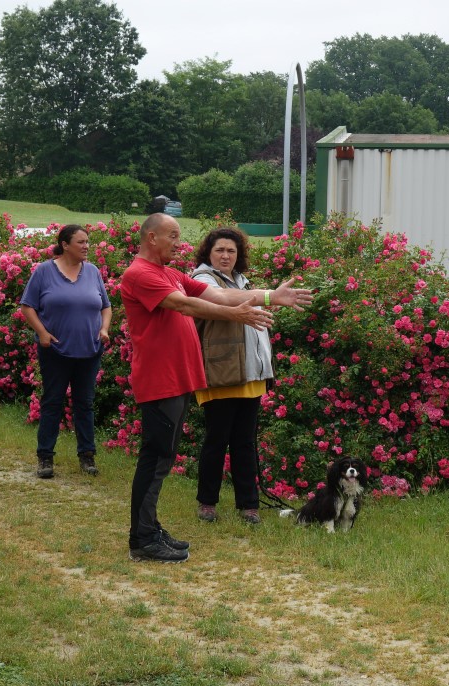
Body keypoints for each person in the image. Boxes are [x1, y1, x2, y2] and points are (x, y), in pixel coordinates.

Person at [120, 213, 312, 563]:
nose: (179, 243)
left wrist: (270, 296)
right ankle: (142, 539)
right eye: (172, 236)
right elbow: (185, 305)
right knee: (155, 459)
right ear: (151, 237)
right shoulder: (140, 274)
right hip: (160, 381)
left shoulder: (169, 273)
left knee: (163, 459)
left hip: (177, 380)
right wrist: (236, 315)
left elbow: (219, 294)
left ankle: (149, 528)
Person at [191, 227, 274, 525]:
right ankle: (207, 503)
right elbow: (222, 298)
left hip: (250, 376)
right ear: (208, 253)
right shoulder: (202, 279)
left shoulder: (242, 281)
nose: (225, 256)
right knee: (216, 441)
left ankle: (249, 505)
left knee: (245, 443)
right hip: (221, 373)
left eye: (231, 251)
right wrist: (270, 296)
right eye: (219, 250)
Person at [20, 224, 112, 479]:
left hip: (89, 350)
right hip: (55, 351)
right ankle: (45, 458)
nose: (86, 246)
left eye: (87, 242)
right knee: (52, 401)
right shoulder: (44, 271)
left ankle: (87, 456)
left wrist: (104, 328)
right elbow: (27, 306)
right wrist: (42, 332)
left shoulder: (92, 271)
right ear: (65, 245)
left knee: (85, 403)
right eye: (81, 242)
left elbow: (105, 306)